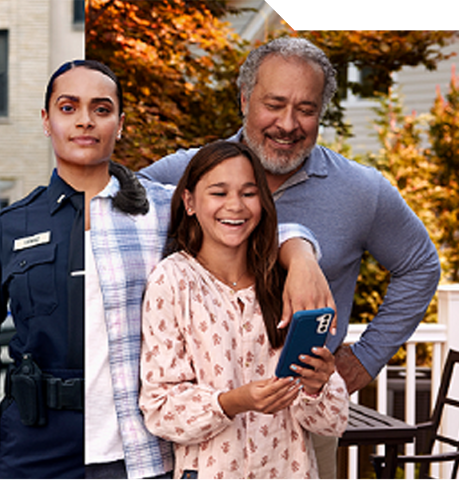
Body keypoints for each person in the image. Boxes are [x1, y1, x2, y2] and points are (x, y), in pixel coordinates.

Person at [0, 60, 327, 479]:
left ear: (119, 123)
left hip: (136, 452)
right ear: (46, 120)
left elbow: (237, 217)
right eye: (68, 108)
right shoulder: (9, 227)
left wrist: (299, 253)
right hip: (35, 446)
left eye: (101, 109)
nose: (85, 121)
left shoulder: (159, 211)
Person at [138, 36, 442, 478]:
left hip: (302, 425)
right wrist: (296, 247)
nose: (288, 123)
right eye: (274, 103)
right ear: (244, 100)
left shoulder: (361, 191)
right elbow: (111, 219)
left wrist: (366, 358)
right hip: (203, 436)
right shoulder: (179, 175)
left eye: (306, 108)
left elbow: (421, 266)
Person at [139, 140, 348, 480]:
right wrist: (234, 401)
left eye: (249, 193)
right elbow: (161, 410)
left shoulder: (287, 282)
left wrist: (318, 384)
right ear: (190, 202)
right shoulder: (172, 281)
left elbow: (331, 421)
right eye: (219, 193)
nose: (235, 206)